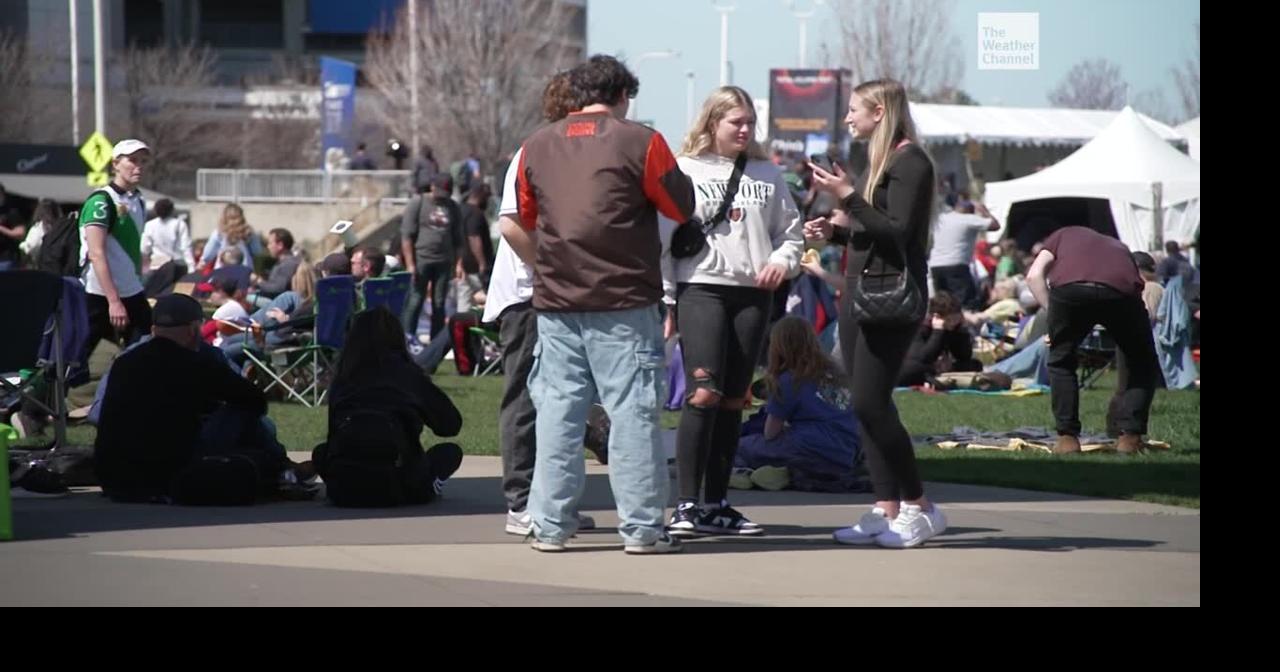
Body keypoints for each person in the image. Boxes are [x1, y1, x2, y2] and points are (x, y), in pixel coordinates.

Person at [502, 56, 695, 554]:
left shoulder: (535, 145)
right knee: (632, 414)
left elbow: (522, 217)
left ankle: (549, 525)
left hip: (557, 299)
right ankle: (642, 529)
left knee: (558, 413)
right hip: (624, 297)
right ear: (623, 95)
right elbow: (680, 206)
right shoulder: (641, 141)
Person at [803, 79, 947, 548]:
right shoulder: (879, 161)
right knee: (864, 406)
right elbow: (871, 233)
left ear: (880, 111)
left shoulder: (911, 162)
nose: (848, 118)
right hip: (860, 291)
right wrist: (836, 234)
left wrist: (848, 197)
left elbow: (899, 234)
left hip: (892, 298)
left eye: (853, 110)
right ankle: (885, 507)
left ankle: (919, 507)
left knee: (870, 402)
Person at [661, 86, 803, 537]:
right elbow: (663, 239)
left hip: (752, 295)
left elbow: (792, 234)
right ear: (712, 123)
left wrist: (781, 262)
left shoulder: (768, 173)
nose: (744, 130)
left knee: (732, 400)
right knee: (702, 392)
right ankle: (685, 503)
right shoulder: (684, 169)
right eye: (734, 122)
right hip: (700, 288)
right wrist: (666, 298)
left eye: (748, 122)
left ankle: (717, 503)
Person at [1025, 226, 1159, 455]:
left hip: (1071, 290)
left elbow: (1033, 276)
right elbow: (1138, 286)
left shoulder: (1061, 235)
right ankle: (1131, 437)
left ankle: (1068, 439)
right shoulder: (1120, 246)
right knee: (1142, 363)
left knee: (1061, 361)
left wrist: (1055, 318)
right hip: (1121, 294)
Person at [313, 308, 464, 507]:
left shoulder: (343, 379)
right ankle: (427, 486)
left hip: (344, 489)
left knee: (320, 452)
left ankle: (348, 483)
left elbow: (333, 435)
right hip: (402, 484)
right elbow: (450, 425)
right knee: (450, 452)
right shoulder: (408, 375)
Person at [80, 139, 154, 352]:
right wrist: (114, 301)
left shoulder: (138, 200)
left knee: (147, 348)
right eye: (132, 160)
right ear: (115, 165)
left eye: (142, 161)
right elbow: (96, 253)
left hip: (132, 290)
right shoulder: (101, 201)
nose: (138, 166)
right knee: (78, 356)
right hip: (99, 294)